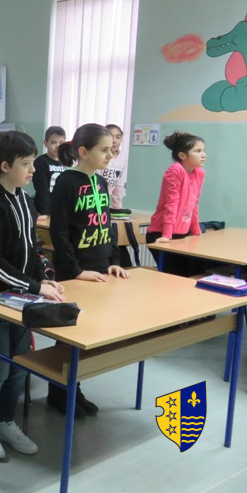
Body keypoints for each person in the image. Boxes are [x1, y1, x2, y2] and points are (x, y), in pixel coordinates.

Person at [0, 130, 65, 459]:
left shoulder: (26, 201)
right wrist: (35, 286)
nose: (33, 170)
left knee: (20, 366)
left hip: (24, 298)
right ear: (5, 166)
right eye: (26, 164)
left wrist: (46, 279)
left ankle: (6, 421)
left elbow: (32, 248)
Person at [48, 123, 130, 417]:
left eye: (111, 149)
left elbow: (107, 225)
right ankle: (59, 392)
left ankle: (74, 388)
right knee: (69, 333)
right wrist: (75, 271)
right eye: (104, 150)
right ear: (83, 151)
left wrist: (114, 260)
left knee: (89, 333)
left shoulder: (101, 182)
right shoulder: (66, 182)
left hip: (100, 269)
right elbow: (59, 233)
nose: (110, 154)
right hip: (75, 272)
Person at [146, 132, 211, 276]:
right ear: (182, 155)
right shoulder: (175, 170)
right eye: (198, 151)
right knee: (174, 278)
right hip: (161, 233)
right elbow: (171, 204)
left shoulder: (199, 173)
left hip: (182, 234)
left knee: (193, 273)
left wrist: (196, 232)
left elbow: (194, 203)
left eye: (203, 150)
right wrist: (167, 235)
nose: (203, 155)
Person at [32, 126, 67, 216]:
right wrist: (45, 212)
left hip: (63, 209)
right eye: (53, 142)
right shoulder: (41, 162)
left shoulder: (67, 162)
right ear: (45, 143)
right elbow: (42, 190)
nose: (57, 146)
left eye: (61, 143)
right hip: (45, 210)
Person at [98, 124, 126, 210]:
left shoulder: (122, 156)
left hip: (104, 200)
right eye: (111, 137)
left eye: (118, 137)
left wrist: (118, 209)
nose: (114, 141)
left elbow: (119, 184)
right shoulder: (98, 155)